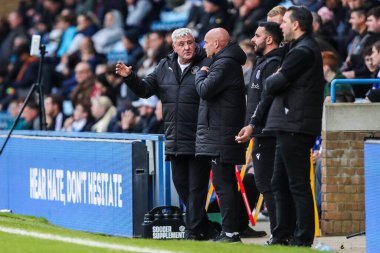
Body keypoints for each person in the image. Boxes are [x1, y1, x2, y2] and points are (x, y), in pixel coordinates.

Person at [115, 28, 218, 240]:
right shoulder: (164, 66)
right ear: (174, 47)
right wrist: (129, 77)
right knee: (182, 186)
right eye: (182, 44)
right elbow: (145, 90)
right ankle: (206, 227)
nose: (187, 47)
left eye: (190, 42)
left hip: (200, 137)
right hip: (175, 137)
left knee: (197, 188)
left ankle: (192, 232)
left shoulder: (207, 63)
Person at [260, 6, 324, 247]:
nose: (280, 26)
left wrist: (275, 77)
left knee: (297, 183)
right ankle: (282, 235)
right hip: (288, 123)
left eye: (285, 22)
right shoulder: (296, 49)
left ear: (296, 25)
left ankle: (302, 238)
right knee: (279, 182)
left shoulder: (303, 51)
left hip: (296, 124)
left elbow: (273, 84)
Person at [195, 28, 246, 242]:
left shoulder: (223, 64)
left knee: (224, 185)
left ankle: (230, 232)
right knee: (226, 185)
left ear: (217, 44)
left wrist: (200, 72)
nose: (203, 46)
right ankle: (233, 229)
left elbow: (204, 90)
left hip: (221, 134)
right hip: (221, 132)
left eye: (206, 42)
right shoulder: (227, 61)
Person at [235, 21, 284, 239]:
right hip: (260, 131)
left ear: (269, 39)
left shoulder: (274, 63)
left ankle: (280, 233)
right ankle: (281, 232)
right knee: (267, 183)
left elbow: (267, 99)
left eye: (257, 35)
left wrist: (253, 124)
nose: (253, 39)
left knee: (269, 184)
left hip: (268, 131)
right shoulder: (264, 62)